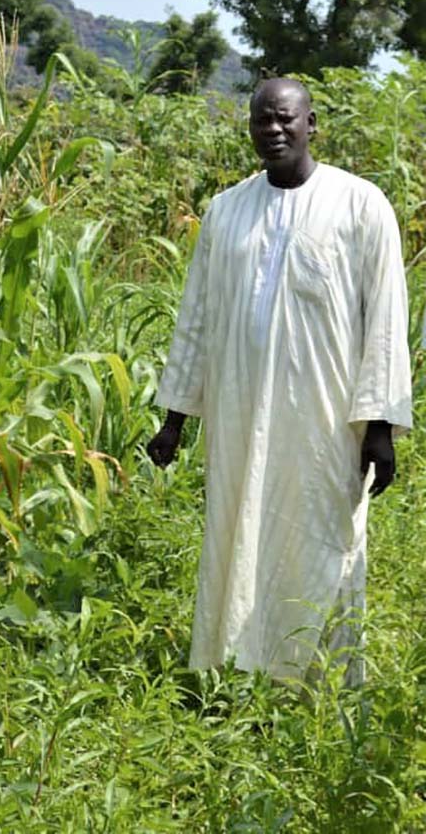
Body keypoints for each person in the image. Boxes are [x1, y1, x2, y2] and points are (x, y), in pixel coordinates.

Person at [146, 77, 412, 683]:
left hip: (324, 422)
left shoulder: (361, 204)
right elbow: (197, 319)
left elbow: (386, 322)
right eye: (262, 119)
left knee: (325, 541)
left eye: (286, 119)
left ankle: (322, 688)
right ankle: (235, 670)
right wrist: (174, 421)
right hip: (240, 419)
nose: (274, 129)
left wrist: (380, 428)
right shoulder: (225, 211)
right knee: (238, 532)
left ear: (312, 124)